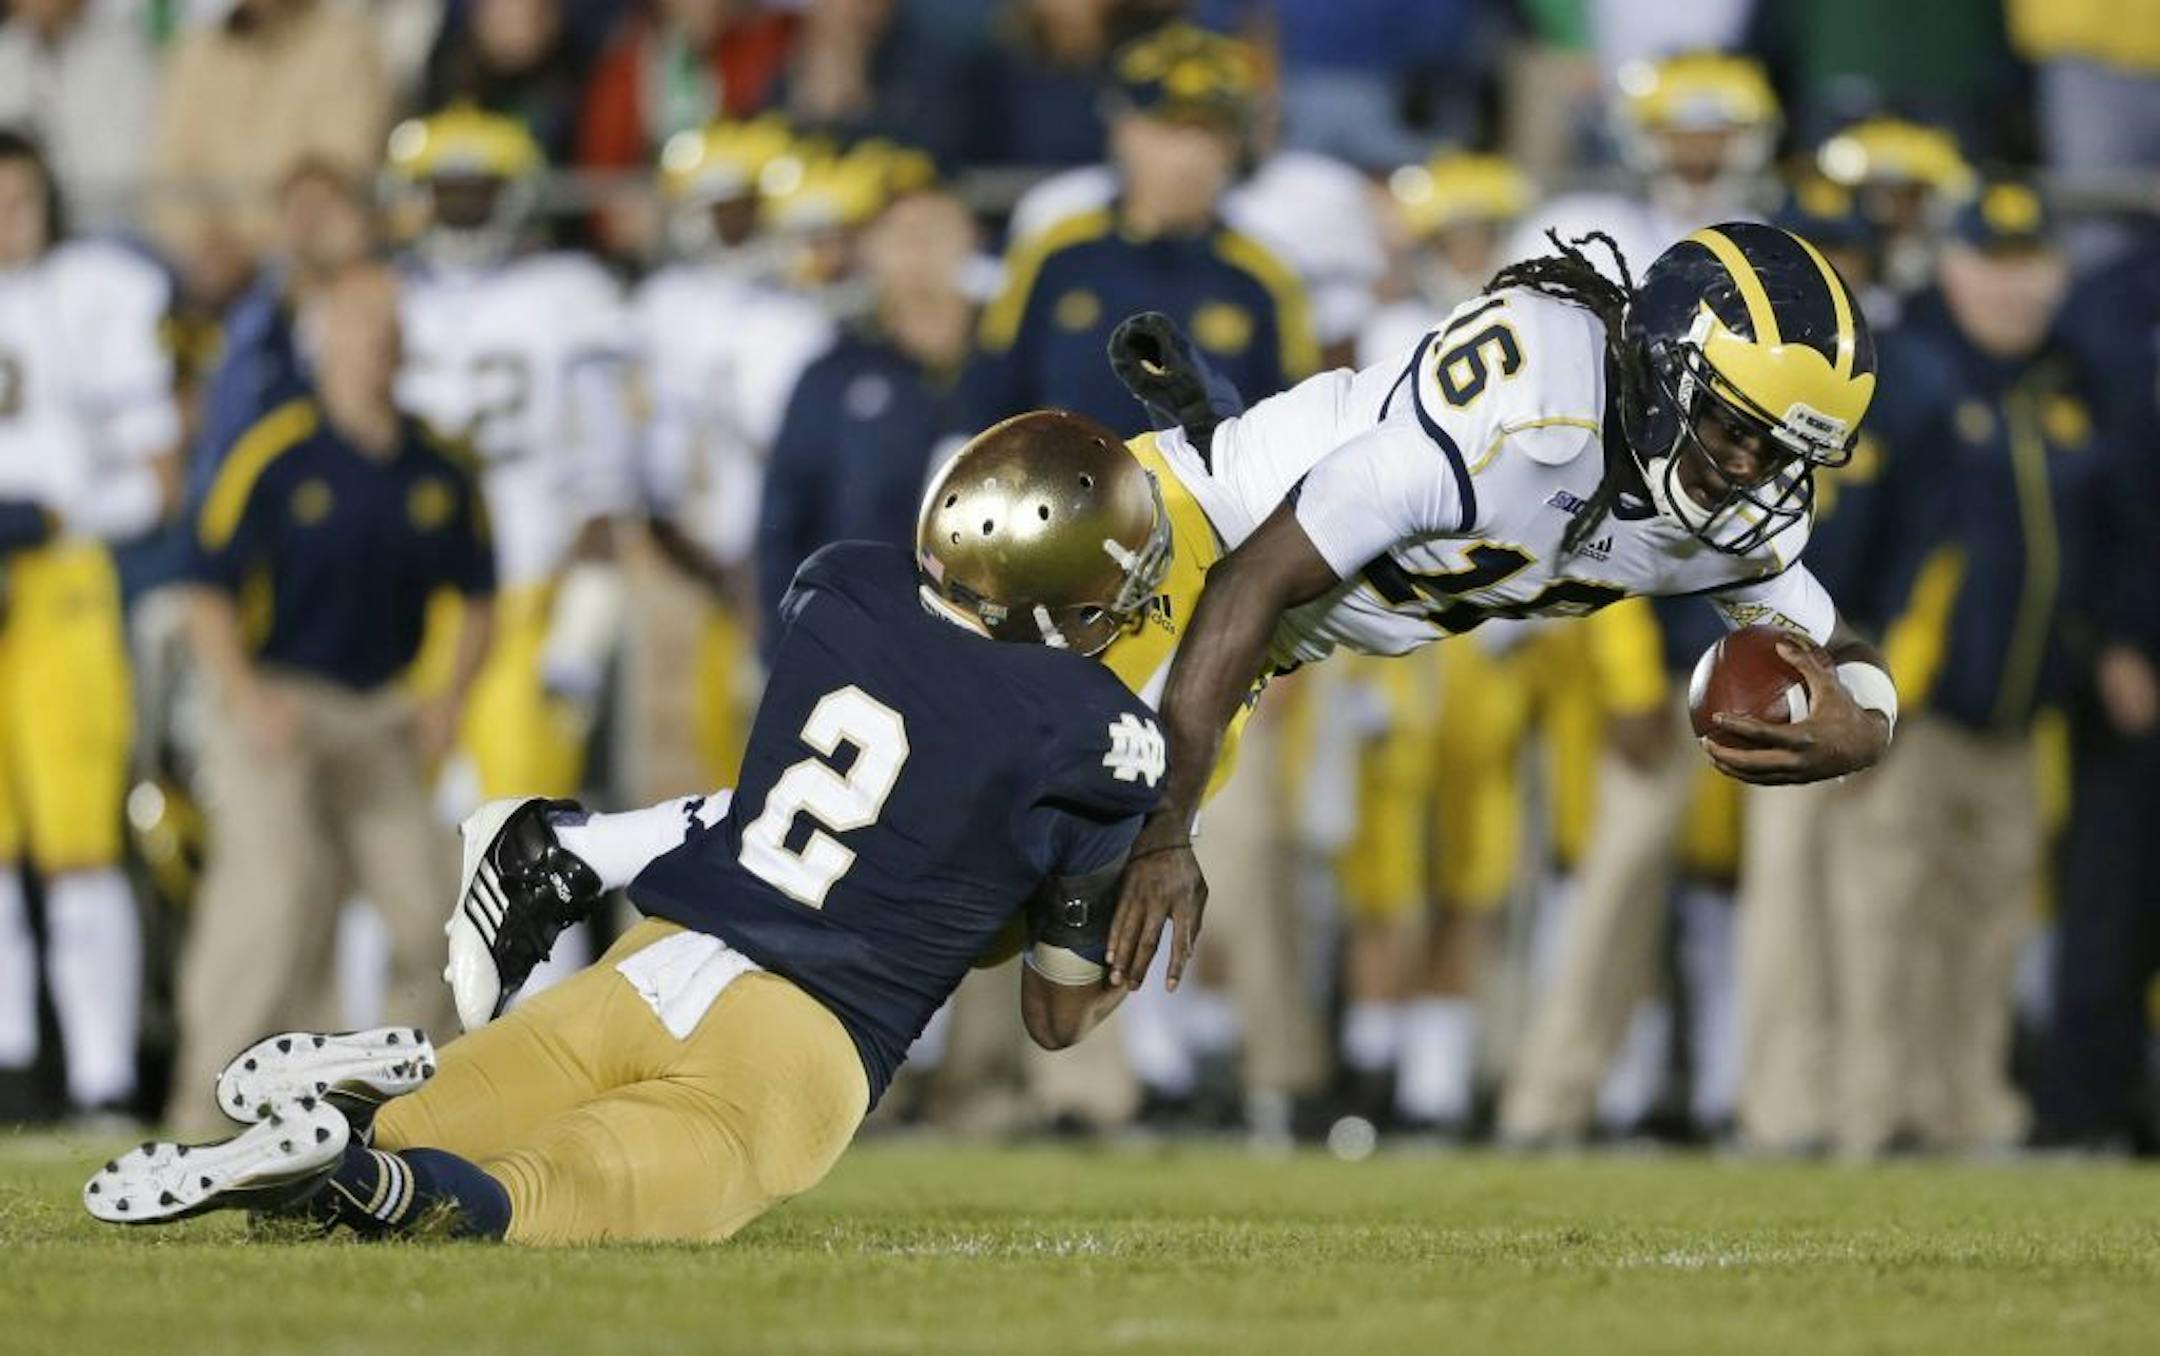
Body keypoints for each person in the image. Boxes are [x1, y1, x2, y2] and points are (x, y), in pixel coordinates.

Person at [87, 451, 1165, 1244]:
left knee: (448, 1117)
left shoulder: (848, 587)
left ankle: (347, 1135)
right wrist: (1084, 911)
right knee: (555, 1191)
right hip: (805, 1037)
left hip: (656, 962)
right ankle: (386, 1190)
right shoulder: (1091, 732)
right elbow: (1055, 1013)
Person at [1099, 219, 1901, 999]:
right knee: (1022, 821)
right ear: (1662, 369)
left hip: (1261, 641)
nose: (1744, 468)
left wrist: (1862, 729)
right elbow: (1254, 575)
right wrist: (1169, 824)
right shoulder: (1533, 406)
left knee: (1071, 991)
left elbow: (1841, 649)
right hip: (1180, 539)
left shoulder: (1725, 524)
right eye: (1733, 426)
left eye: (1780, 452)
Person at [166, 260, 496, 1136]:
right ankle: (205, 1109)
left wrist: (447, 697)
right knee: (273, 894)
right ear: (325, 341)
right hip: (281, 698)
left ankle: (411, 1112)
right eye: (357, 325)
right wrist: (243, 696)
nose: (374, 345)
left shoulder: (437, 469)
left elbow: (478, 593)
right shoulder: (274, 453)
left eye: (387, 328)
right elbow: (206, 590)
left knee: (429, 906)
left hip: (379, 710)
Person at [1830, 181, 2110, 1155]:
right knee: (1882, 924)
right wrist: (1875, 691)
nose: (2011, 290)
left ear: (2055, 275)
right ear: (1955, 270)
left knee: (1989, 926)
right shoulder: (1914, 377)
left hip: (2022, 712)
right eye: (1993, 266)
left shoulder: (2063, 388)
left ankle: (1969, 1112)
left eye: (2028, 267)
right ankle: (1868, 1117)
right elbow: (1884, 552)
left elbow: (2088, 552)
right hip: (1922, 704)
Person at [389, 107, 638, 820]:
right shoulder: (386, 296)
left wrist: (580, 636)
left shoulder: (569, 295)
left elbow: (607, 492)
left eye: (478, 190)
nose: (462, 209)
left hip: (527, 587)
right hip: (408, 592)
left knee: (525, 832)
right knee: (393, 827)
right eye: (446, 189)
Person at [0, 132, 179, 1121]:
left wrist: (56, 515)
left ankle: (103, 1077)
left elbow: (156, 479)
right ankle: (14, 1072)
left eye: (17, 199)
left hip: (59, 584)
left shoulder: (93, 292)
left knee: (76, 845)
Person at [960, 23, 1316, 435]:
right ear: (1121, 131)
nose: (1187, 158)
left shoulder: (1265, 278)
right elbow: (988, 396)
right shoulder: (1056, 251)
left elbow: (1295, 434)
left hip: (1205, 499)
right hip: (1063, 492)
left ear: (1234, 148)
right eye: (1167, 127)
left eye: (1208, 133)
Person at [634, 118, 838, 783]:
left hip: (779, 549)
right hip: (673, 545)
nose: (737, 227)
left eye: (748, 209)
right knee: (668, 737)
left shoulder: (806, 316)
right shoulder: (660, 305)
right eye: (723, 211)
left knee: (776, 728)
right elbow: (639, 442)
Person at [757, 190, 978, 644]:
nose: (921, 255)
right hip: (866, 646)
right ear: (870, 253)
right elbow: (785, 523)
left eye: (935, 233)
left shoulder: (1012, 367)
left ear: (973, 243)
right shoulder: (833, 376)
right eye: (902, 237)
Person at [0, 0, 159, 231]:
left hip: (104, 230)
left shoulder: (125, 53)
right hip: (16, 236)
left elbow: (121, 175)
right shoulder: (6, 53)